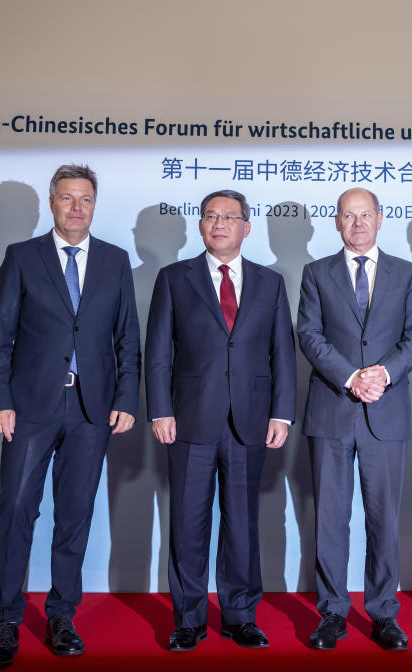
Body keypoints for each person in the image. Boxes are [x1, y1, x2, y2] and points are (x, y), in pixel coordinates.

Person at [0, 164, 140, 667]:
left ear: (95, 205)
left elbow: (127, 339)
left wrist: (127, 399)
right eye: (68, 198)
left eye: (86, 200)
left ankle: (62, 616)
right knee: (16, 511)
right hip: (28, 408)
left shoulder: (115, 261)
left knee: (75, 516)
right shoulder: (22, 258)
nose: (77, 208)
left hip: (92, 410)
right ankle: (5, 623)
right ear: (52, 203)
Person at [145, 189, 295, 651]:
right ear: (201, 225)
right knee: (188, 524)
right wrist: (160, 408)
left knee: (242, 524)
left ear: (246, 227)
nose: (219, 223)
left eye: (230, 217)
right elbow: (157, 353)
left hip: (251, 421)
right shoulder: (174, 278)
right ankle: (188, 619)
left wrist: (282, 413)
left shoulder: (270, 283)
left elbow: (283, 356)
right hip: (189, 420)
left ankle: (240, 615)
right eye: (211, 216)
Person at [297, 187, 412, 651]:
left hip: (386, 412)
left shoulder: (407, 274)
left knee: (383, 519)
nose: (357, 223)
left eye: (365, 214)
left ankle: (383, 614)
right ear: (336, 222)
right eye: (348, 215)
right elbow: (309, 335)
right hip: (332, 409)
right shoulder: (315, 273)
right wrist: (352, 377)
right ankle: (332, 612)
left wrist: (383, 375)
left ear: (380, 218)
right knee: (331, 519)